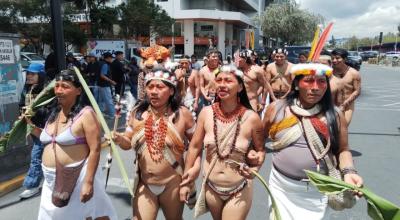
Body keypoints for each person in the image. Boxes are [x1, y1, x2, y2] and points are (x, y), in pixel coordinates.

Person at [263, 63, 363, 219]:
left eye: (321, 81)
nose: (315, 87)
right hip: (281, 188)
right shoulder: (276, 109)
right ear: (296, 84)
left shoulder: (335, 116)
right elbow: (258, 142)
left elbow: (343, 150)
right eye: (309, 80)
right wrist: (253, 157)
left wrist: (349, 172)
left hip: (318, 192)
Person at [181, 65, 265, 220]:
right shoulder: (206, 113)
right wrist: (186, 181)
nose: (222, 84)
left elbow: (261, 150)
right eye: (218, 80)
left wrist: (256, 167)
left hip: (239, 188)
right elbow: (194, 147)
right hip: (211, 187)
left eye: (228, 81)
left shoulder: (251, 117)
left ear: (240, 87)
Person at [112, 68, 196, 220]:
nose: (154, 91)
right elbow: (127, 143)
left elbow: (196, 147)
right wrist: (119, 139)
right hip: (145, 183)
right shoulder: (137, 113)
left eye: (159, 87)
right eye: (150, 87)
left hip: (173, 183)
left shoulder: (182, 114)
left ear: (171, 91)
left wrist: (188, 179)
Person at [38, 69, 117, 219]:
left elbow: (95, 149)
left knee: (85, 215)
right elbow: (48, 140)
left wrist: (88, 182)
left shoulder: (86, 114)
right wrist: (27, 125)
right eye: (57, 86)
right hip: (50, 181)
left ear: (78, 91)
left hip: (77, 178)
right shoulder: (53, 114)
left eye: (65, 86)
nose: (59, 90)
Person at [18, 63, 49, 199]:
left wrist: (33, 112)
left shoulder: (47, 91)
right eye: (28, 73)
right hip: (33, 128)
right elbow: (21, 104)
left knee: (36, 157)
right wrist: (23, 113)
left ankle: (32, 185)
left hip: (45, 129)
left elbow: (50, 110)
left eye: (33, 74)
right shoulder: (27, 89)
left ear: (40, 75)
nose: (29, 76)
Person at [331, 49, 361, 126]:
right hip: (331, 105)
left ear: (345, 59)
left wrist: (344, 104)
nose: (334, 60)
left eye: (337, 58)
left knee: (343, 127)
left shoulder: (354, 73)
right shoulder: (329, 72)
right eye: (332, 58)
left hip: (347, 106)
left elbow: (357, 91)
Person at [98, 52, 117, 118]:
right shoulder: (105, 65)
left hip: (100, 84)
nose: (112, 60)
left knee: (102, 100)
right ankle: (112, 114)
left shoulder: (100, 63)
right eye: (111, 58)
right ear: (108, 58)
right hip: (105, 85)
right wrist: (111, 81)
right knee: (109, 100)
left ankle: (101, 113)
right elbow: (102, 75)